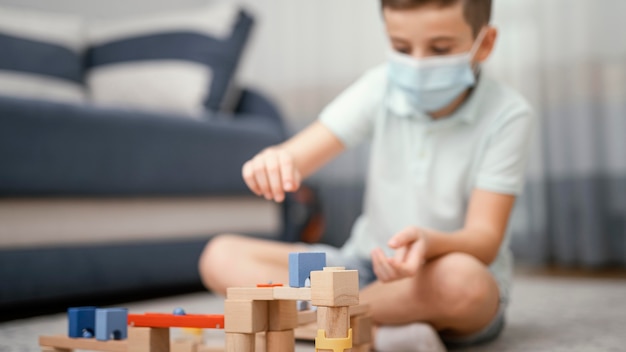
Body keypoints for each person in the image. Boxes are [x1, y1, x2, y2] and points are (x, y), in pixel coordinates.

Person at [199, 0, 535, 349]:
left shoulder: (509, 114)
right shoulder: (380, 86)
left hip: (436, 277)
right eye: (401, 48)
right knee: (219, 255)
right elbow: (300, 154)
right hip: (361, 268)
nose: (417, 64)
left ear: (487, 43)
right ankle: (372, 329)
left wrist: (431, 244)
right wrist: (277, 159)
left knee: (465, 284)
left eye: (440, 49)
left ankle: (316, 323)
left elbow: (485, 239)